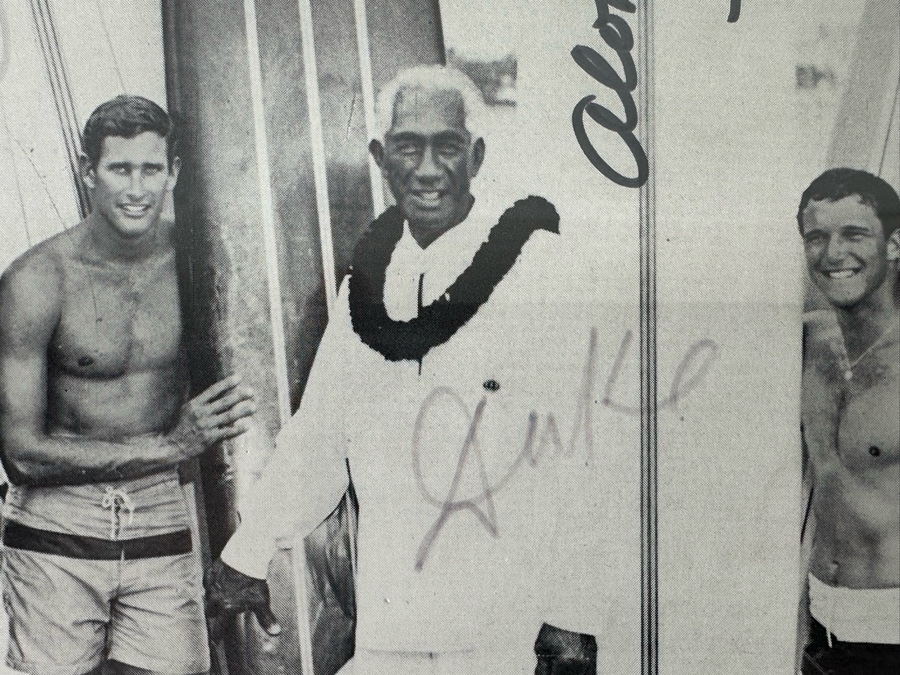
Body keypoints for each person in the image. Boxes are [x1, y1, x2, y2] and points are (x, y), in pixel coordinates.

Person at [207, 66, 604, 674]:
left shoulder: (536, 274)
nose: (425, 169)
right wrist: (249, 550)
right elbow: (321, 437)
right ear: (379, 158)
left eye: (446, 146)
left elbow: (575, 451)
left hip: (506, 630)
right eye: (407, 147)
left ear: (475, 156)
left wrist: (573, 612)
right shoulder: (364, 288)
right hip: (394, 623)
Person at [0, 95, 256, 675]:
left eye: (151, 169)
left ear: (175, 172)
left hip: (160, 515)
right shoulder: (35, 280)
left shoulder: (201, 264)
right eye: (119, 169)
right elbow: (20, 456)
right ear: (88, 170)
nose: (136, 189)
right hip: (57, 525)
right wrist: (169, 447)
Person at [798, 168, 900, 674]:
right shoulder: (804, 344)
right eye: (816, 236)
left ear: (894, 243)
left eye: (854, 234)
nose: (833, 253)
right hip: (822, 633)